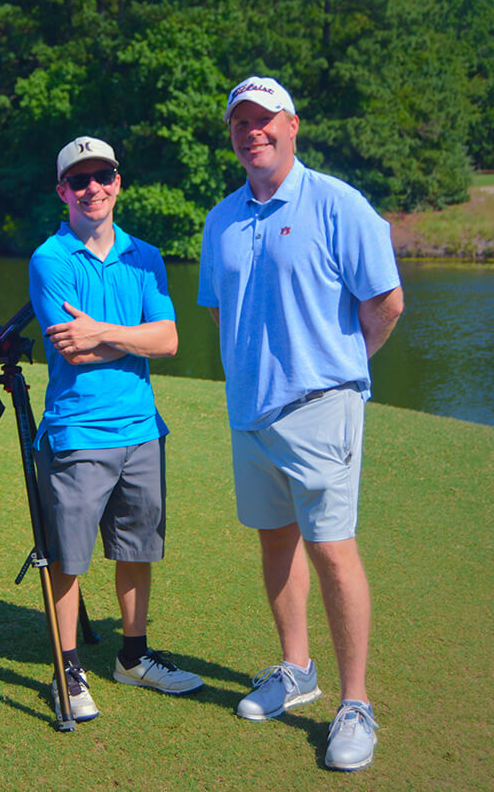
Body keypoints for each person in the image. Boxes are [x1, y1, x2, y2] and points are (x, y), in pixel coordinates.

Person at [199, 76, 404, 770]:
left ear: (293, 124)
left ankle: (356, 701)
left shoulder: (338, 204)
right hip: (250, 412)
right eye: (241, 122)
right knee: (275, 541)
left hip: (322, 407)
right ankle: (297, 670)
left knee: (332, 549)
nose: (252, 131)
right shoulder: (220, 218)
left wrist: (339, 369)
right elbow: (223, 313)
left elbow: (387, 303)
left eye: (265, 119)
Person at [28, 136, 204, 723]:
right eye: (79, 180)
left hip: (142, 428)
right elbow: (71, 351)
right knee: (69, 558)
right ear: (63, 191)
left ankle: (133, 656)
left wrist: (102, 331)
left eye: (102, 176)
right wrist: (132, 337)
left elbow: (171, 341)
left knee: (136, 550)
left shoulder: (146, 256)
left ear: (118, 182)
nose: (92, 188)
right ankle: (68, 666)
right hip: (78, 431)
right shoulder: (49, 259)